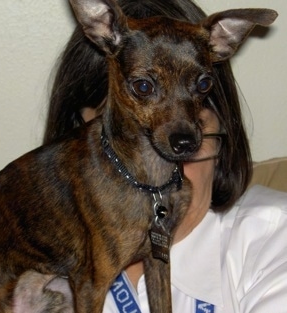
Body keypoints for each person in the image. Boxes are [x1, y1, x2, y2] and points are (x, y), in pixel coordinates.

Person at [43, 0, 287, 312]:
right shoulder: (32, 270)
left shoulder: (272, 240)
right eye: (133, 140)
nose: (158, 173)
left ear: (222, 136)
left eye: (187, 141)